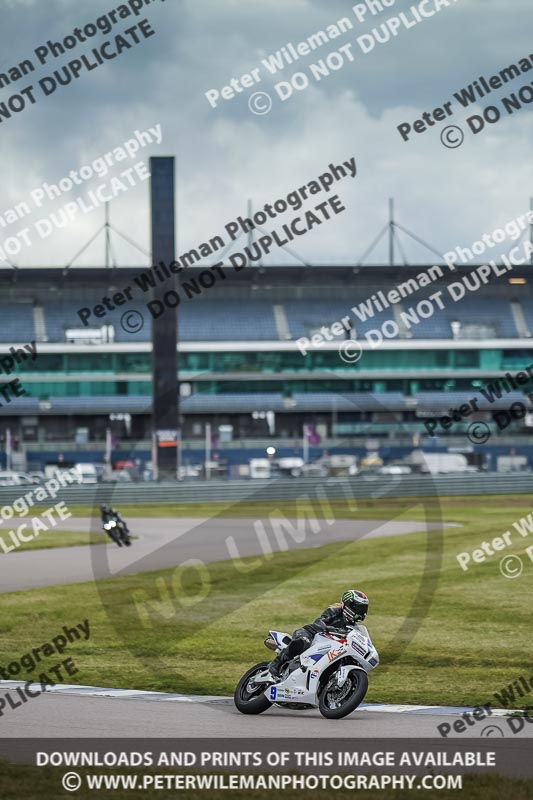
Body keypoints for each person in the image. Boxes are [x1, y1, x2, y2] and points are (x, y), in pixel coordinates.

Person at [268, 589, 369, 680]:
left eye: (363, 609)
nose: (361, 612)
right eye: (358, 608)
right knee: (303, 642)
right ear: (348, 605)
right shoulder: (334, 612)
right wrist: (329, 628)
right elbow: (320, 621)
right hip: (310, 633)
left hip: (328, 646)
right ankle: (276, 664)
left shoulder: (352, 627)